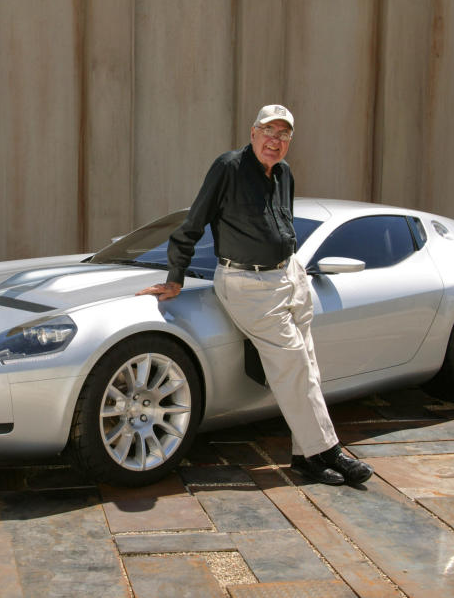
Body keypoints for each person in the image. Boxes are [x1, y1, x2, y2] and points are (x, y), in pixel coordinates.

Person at [137, 104, 373, 486]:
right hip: (248, 283)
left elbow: (283, 223)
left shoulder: (284, 174)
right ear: (253, 132)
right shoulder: (228, 168)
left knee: (308, 366)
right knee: (294, 364)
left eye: (283, 134)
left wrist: (292, 268)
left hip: (289, 275)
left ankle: (305, 454)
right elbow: (193, 223)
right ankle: (327, 452)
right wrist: (175, 277)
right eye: (268, 131)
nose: (275, 141)